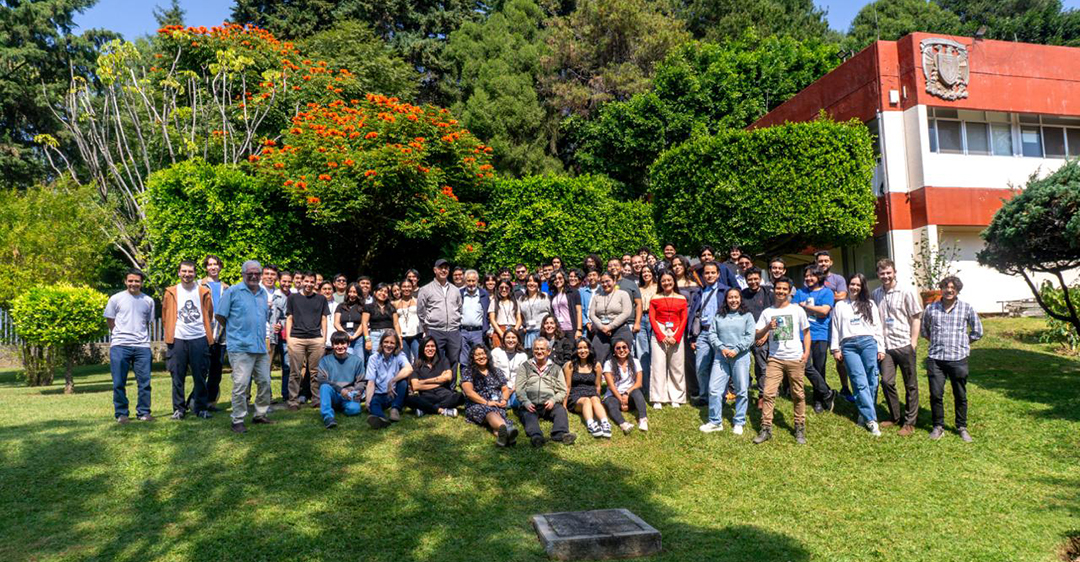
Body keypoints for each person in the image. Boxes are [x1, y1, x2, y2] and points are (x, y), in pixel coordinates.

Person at [216, 260, 276, 433]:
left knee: (265, 381)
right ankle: (238, 419)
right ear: (243, 274)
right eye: (250, 273)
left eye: (257, 273)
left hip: (259, 345)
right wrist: (235, 330)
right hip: (240, 346)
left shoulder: (263, 293)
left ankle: (260, 415)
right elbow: (220, 315)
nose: (253, 276)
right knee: (241, 385)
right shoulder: (233, 292)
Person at [921, 276, 983, 442]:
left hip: (958, 359)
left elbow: (977, 331)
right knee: (935, 395)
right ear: (941, 289)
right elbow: (924, 331)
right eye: (946, 287)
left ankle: (961, 427)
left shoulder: (966, 308)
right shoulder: (931, 309)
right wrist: (936, 342)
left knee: (960, 395)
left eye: (952, 287)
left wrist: (963, 343)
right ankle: (938, 426)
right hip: (936, 359)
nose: (949, 290)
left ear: (957, 290)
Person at [753, 276, 811, 445]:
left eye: (784, 289)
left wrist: (806, 353)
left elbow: (806, 333)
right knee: (769, 393)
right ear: (774, 289)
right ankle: (766, 428)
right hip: (775, 359)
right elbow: (757, 334)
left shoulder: (797, 310)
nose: (781, 291)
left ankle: (799, 427)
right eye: (778, 288)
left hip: (795, 357)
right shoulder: (768, 312)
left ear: (789, 291)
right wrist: (767, 328)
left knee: (798, 394)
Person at [831, 273, 886, 436]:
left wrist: (881, 348)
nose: (854, 287)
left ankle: (863, 412)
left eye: (858, 285)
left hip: (868, 343)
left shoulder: (869, 304)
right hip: (849, 346)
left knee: (872, 380)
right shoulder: (840, 305)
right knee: (858, 381)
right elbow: (835, 327)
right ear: (847, 285)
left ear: (862, 287)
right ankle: (871, 420)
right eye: (852, 284)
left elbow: (877, 327)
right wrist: (835, 348)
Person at [871, 259, 922, 436]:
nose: (885, 276)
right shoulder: (876, 294)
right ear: (878, 274)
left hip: (904, 344)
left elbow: (916, 317)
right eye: (882, 273)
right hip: (886, 347)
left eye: (888, 273)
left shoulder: (906, 291)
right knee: (886, 381)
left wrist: (913, 343)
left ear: (894, 272)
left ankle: (909, 422)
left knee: (911, 385)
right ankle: (895, 416)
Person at [163, 261, 215, 420]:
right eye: (184, 271)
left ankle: (200, 408)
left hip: (199, 338)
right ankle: (179, 409)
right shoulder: (170, 292)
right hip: (178, 338)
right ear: (179, 272)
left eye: (190, 272)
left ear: (195, 273)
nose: (187, 274)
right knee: (177, 376)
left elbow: (209, 313)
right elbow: (165, 315)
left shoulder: (203, 291)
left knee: (200, 375)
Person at [104, 269, 156, 423]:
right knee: (119, 382)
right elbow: (110, 320)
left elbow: (147, 322)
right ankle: (121, 414)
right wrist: (119, 334)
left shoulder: (149, 301)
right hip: (120, 346)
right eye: (130, 281)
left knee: (145, 383)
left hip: (142, 346)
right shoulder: (115, 299)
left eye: (137, 281)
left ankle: (144, 412)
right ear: (125, 282)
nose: (134, 284)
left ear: (142, 282)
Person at [701, 288, 755, 434]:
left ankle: (739, 421)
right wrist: (722, 348)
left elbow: (750, 336)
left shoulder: (747, 316)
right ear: (726, 300)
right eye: (730, 297)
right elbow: (712, 334)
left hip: (740, 357)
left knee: (741, 390)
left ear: (740, 299)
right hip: (721, 356)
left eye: (736, 297)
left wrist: (736, 349)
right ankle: (715, 421)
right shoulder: (719, 316)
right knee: (714, 389)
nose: (733, 300)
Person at [793, 266, 838, 414]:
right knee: (804, 364)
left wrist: (805, 306)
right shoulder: (800, 292)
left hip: (820, 334)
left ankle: (818, 399)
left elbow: (825, 310)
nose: (808, 279)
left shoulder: (827, 292)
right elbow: (793, 309)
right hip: (802, 334)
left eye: (811, 276)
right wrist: (814, 309)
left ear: (819, 277)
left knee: (819, 367)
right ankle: (827, 392)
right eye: (806, 276)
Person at [515, 338, 576, 447]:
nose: (539, 352)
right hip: (530, 404)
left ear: (548, 351)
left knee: (561, 411)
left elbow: (562, 390)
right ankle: (536, 436)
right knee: (529, 417)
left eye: (542, 349)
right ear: (533, 351)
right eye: (536, 349)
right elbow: (519, 388)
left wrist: (553, 400)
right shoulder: (525, 367)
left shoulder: (556, 368)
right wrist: (526, 402)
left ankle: (560, 434)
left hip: (549, 405)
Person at [286, 272, 330, 410]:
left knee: (315, 372)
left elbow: (324, 319)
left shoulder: (321, 299)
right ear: (301, 281)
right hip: (297, 338)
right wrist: (289, 338)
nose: (309, 284)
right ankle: (293, 400)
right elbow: (289, 318)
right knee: (295, 372)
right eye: (307, 281)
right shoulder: (293, 298)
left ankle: (316, 399)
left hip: (316, 339)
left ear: (315, 283)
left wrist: (323, 338)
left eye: (312, 282)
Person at [462, 344, 519, 446]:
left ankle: (502, 437)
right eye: (477, 355)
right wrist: (487, 403)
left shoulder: (496, 371)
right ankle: (507, 429)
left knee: (496, 416)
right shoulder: (468, 371)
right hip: (477, 404)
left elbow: (505, 388)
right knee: (490, 412)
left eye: (483, 354)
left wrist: (504, 400)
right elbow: (469, 392)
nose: (481, 357)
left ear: (487, 355)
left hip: (496, 404)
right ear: (473, 358)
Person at [689, 262, 729, 406]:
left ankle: (721, 397)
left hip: (720, 333)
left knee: (721, 367)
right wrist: (693, 336)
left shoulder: (725, 291)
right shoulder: (699, 293)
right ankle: (704, 396)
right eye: (707, 273)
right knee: (701, 366)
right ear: (703, 275)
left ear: (718, 274)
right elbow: (694, 314)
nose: (710, 275)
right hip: (704, 333)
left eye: (713, 272)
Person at [648, 271, 688, 409]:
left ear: (674, 281)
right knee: (658, 365)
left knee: (676, 365)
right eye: (663, 280)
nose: (666, 283)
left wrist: (676, 337)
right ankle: (658, 397)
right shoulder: (655, 297)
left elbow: (684, 318)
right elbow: (652, 318)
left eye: (669, 280)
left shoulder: (682, 298)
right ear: (660, 283)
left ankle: (676, 397)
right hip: (659, 330)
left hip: (676, 330)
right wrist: (660, 335)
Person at [815, 250, 852, 399]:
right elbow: (812, 298)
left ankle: (845, 387)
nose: (823, 263)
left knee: (840, 358)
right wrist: (831, 295)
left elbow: (843, 295)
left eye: (825, 260)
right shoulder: (812, 278)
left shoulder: (838, 279)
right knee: (820, 359)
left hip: (837, 323)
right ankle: (822, 389)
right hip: (819, 324)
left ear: (831, 262)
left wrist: (823, 295)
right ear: (816, 263)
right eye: (820, 261)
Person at [417, 258, 463, 373]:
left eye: (446, 268)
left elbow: (459, 308)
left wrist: (456, 321)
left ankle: (450, 388)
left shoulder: (455, 290)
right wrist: (427, 325)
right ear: (435, 270)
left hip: (453, 331)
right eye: (440, 268)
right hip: (435, 330)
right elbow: (421, 311)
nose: (443, 270)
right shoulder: (425, 289)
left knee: (453, 360)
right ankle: (436, 387)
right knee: (435, 360)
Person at [364, 329, 412, 429]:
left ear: (396, 345)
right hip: (380, 394)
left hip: (395, 393)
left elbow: (409, 369)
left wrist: (392, 381)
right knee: (373, 402)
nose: (388, 345)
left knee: (403, 382)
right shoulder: (373, 358)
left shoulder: (399, 355)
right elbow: (371, 381)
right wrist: (368, 400)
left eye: (392, 343)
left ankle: (395, 409)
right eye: (386, 342)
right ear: (381, 343)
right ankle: (381, 419)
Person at [563, 337, 611, 438]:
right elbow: (567, 386)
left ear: (589, 349)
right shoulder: (570, 365)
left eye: (585, 347)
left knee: (594, 399)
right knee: (586, 400)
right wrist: (564, 405)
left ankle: (605, 423)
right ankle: (591, 424)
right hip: (576, 395)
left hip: (592, 392)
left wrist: (598, 399)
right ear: (575, 350)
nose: (583, 350)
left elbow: (598, 386)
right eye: (579, 348)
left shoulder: (596, 365)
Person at [316, 331, 365, 429]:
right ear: (332, 345)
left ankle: (342, 407)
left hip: (349, 394)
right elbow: (321, 379)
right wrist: (340, 390)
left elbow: (361, 381)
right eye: (336, 344)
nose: (340, 346)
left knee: (354, 410)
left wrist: (358, 391)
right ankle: (328, 417)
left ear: (348, 344)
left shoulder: (357, 361)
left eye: (343, 343)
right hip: (333, 393)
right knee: (324, 387)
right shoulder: (325, 360)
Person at [405, 336, 463, 417]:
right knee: (409, 399)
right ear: (422, 348)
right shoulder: (416, 365)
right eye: (427, 346)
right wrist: (440, 382)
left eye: (433, 346)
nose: (430, 349)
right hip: (428, 397)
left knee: (461, 396)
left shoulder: (443, 360)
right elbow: (415, 386)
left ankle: (426, 409)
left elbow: (448, 377)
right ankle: (441, 411)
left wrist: (424, 382)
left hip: (445, 395)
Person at [740, 267, 773, 405]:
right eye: (750, 279)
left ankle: (762, 394)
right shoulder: (742, 294)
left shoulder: (767, 293)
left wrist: (766, 334)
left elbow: (773, 314)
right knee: (742, 364)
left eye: (755, 279)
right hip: (745, 335)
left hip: (762, 335)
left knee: (761, 366)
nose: (753, 282)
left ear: (760, 279)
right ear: (746, 280)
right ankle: (740, 391)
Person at [602, 338, 649, 434]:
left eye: (624, 347)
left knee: (637, 393)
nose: (622, 350)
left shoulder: (635, 362)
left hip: (630, 395)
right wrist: (622, 401)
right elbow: (611, 386)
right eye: (618, 348)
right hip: (615, 395)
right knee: (610, 402)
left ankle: (643, 419)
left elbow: (639, 383)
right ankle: (623, 424)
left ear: (629, 349)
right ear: (614, 351)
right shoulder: (608, 363)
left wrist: (627, 393)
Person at [200, 255, 228, 409]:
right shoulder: (200, 286)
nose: (213, 267)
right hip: (205, 333)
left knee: (216, 371)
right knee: (202, 370)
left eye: (215, 264)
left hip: (222, 334)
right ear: (206, 267)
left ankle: (210, 401)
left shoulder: (227, 288)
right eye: (209, 265)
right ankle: (197, 400)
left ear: (220, 266)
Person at [589, 272, 633, 363]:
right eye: (602, 282)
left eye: (608, 281)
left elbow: (626, 313)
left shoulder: (623, 294)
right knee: (596, 357)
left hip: (620, 329)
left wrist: (610, 326)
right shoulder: (597, 297)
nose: (605, 284)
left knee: (622, 358)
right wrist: (602, 327)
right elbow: (592, 314)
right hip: (601, 330)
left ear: (614, 281)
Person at [267, 269, 291, 403]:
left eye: (289, 281)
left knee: (287, 366)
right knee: (267, 366)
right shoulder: (274, 295)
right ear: (279, 281)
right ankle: (267, 396)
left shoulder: (292, 295)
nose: (286, 284)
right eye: (284, 281)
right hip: (272, 336)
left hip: (287, 336)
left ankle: (286, 394)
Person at [362, 283, 402, 364]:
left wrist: (399, 339)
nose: (383, 293)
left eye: (386, 292)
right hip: (375, 335)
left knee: (390, 358)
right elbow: (364, 323)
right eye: (380, 291)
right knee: (375, 358)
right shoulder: (368, 307)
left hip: (390, 334)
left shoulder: (391, 307)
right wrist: (367, 340)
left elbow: (396, 324)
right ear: (375, 292)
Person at [459, 270, 490, 367]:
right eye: (468, 281)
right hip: (463, 331)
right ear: (465, 281)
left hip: (478, 332)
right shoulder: (459, 294)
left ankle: (477, 380)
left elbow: (487, 313)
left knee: (479, 357)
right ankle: (465, 380)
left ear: (477, 281)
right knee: (464, 359)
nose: (471, 283)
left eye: (473, 280)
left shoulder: (484, 294)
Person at [635, 265, 657, 400]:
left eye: (648, 271)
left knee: (656, 353)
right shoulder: (638, 288)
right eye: (644, 272)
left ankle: (657, 387)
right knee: (643, 353)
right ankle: (645, 387)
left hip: (655, 317)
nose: (646, 274)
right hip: (641, 318)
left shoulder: (658, 287)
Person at [490, 329, 526, 408]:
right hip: (499, 387)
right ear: (503, 340)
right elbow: (492, 373)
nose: (511, 340)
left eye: (513, 338)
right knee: (496, 401)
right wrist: (504, 390)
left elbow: (523, 377)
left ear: (518, 340)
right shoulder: (496, 352)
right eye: (508, 337)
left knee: (517, 403)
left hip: (515, 388)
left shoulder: (522, 355)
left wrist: (512, 390)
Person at [518, 274, 552, 349]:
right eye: (529, 281)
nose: (532, 283)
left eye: (535, 281)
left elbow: (551, 314)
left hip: (543, 332)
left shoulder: (545, 297)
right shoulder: (521, 299)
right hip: (529, 333)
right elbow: (519, 317)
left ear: (538, 284)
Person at [334, 282, 366, 360]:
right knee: (346, 360)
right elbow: (336, 323)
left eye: (354, 292)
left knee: (359, 360)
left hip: (358, 337)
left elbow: (363, 323)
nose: (352, 294)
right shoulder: (341, 306)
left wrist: (354, 336)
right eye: (350, 292)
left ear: (358, 294)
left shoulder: (363, 307)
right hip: (344, 337)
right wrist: (346, 334)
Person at [488, 279, 522, 349]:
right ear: (497, 289)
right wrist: (501, 333)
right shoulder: (494, 302)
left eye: (506, 288)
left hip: (513, 329)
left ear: (510, 289)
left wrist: (514, 332)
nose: (504, 290)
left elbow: (519, 319)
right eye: (501, 288)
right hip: (499, 330)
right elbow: (492, 319)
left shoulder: (515, 302)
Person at [549, 270, 582, 340]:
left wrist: (579, 329)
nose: (557, 280)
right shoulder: (553, 295)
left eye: (560, 278)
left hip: (571, 329)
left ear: (564, 278)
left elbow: (579, 311)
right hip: (558, 330)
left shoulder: (573, 292)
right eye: (555, 279)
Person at [394, 280, 422, 361]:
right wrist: (398, 336)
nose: (406, 289)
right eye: (404, 286)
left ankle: (418, 374)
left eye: (409, 286)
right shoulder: (395, 303)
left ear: (412, 288)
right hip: (402, 336)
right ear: (400, 288)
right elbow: (395, 322)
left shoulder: (418, 301)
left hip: (416, 335)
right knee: (405, 360)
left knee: (418, 358)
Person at [579, 268, 599, 336]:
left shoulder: (602, 290)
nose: (592, 277)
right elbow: (580, 309)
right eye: (589, 275)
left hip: (599, 325)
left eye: (594, 275)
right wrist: (587, 323)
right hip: (585, 325)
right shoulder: (582, 291)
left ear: (599, 277)